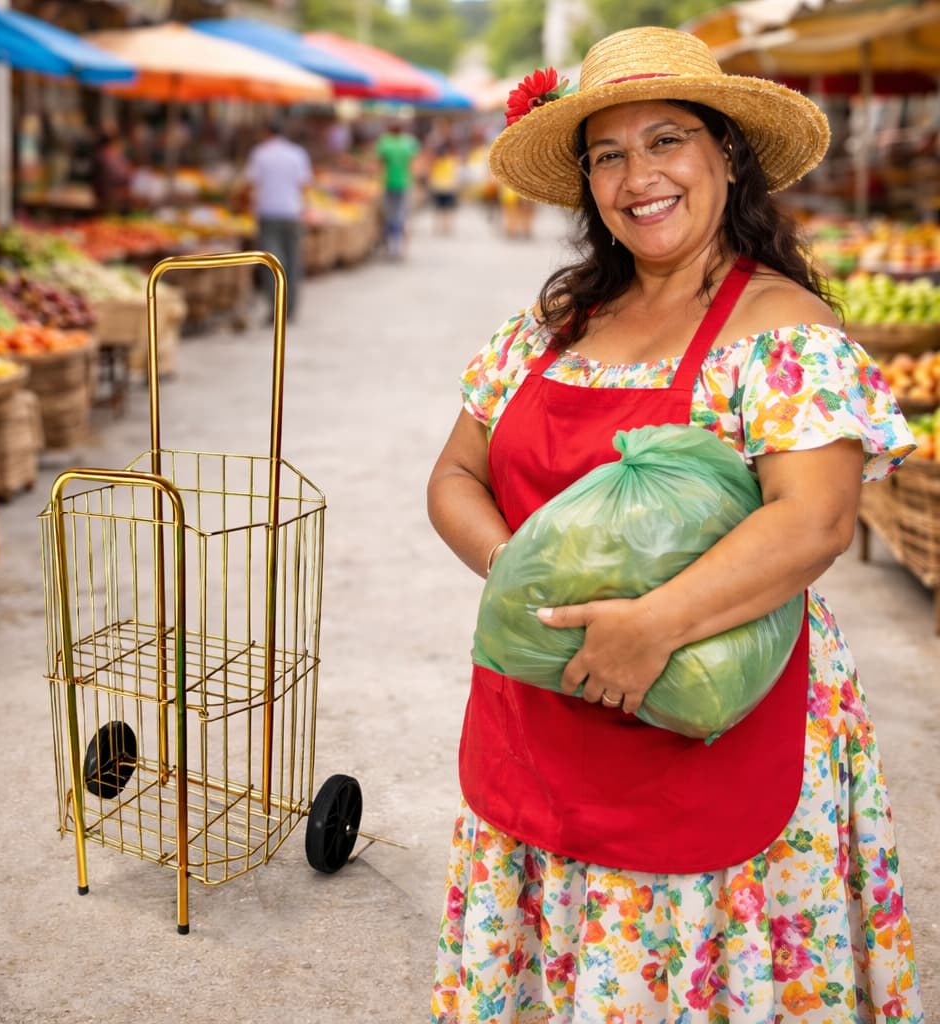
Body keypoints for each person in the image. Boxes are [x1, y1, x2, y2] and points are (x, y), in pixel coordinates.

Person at [426, 26, 924, 1023]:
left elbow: (815, 520)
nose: (635, 175)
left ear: (724, 155)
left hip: (715, 734)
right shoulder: (548, 326)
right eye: (606, 154)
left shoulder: (782, 332)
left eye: (665, 140)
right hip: (540, 711)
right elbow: (454, 473)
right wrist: (524, 577)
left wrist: (650, 627)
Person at [243, 118, 313, 323]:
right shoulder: (297, 153)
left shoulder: (260, 153)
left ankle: (276, 309)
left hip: (269, 213)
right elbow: (304, 185)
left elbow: (250, 184)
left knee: (272, 264)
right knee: (292, 262)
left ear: (266, 131)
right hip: (292, 212)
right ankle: (290, 309)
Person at [375, 120, 420, 259]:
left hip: (388, 182)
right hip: (404, 183)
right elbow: (413, 163)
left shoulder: (385, 143)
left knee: (389, 215)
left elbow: (379, 163)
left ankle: (391, 247)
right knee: (401, 215)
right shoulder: (408, 143)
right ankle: (399, 247)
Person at [427, 138, 462, 236]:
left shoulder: (436, 162)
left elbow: (431, 174)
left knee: (439, 208)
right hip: (448, 187)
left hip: (438, 186)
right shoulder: (451, 161)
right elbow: (455, 174)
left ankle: (439, 226)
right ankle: (446, 226)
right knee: (447, 208)